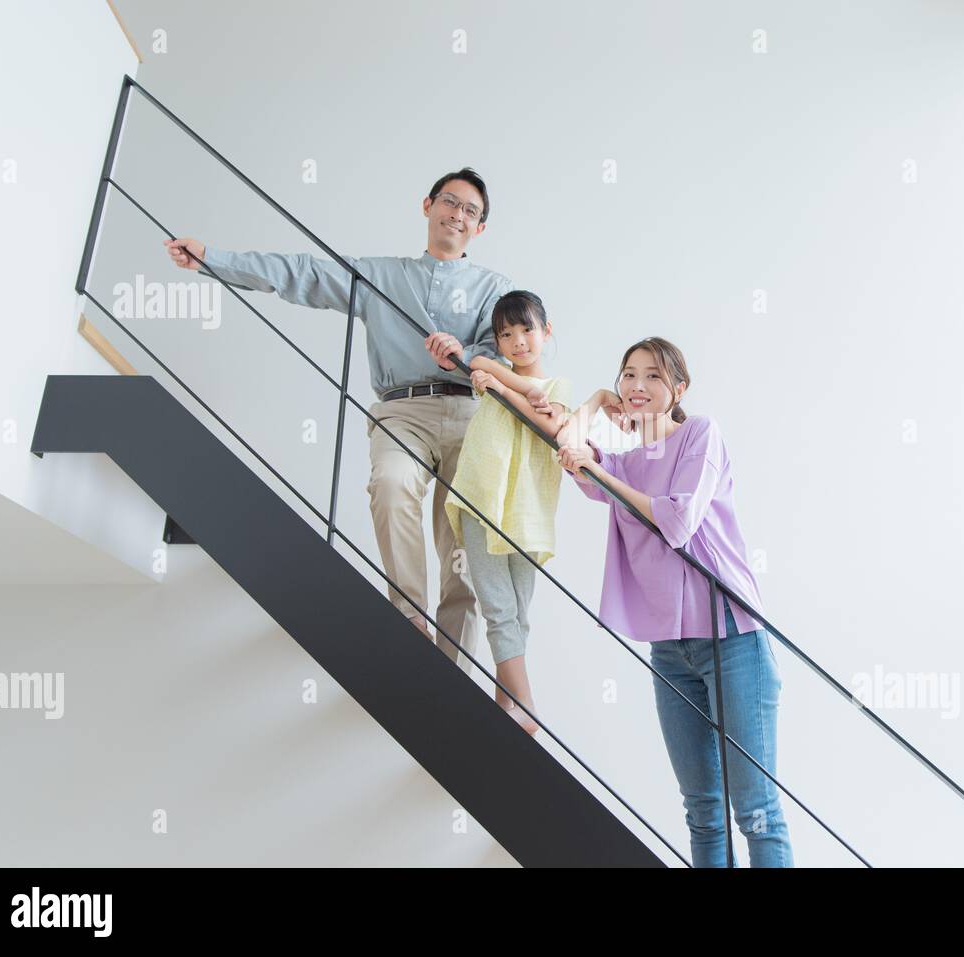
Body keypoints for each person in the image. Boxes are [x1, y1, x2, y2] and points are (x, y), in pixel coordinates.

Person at [164, 168, 541, 674]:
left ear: (480, 229)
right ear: (427, 205)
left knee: (464, 553)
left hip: (474, 416)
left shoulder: (495, 286)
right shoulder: (380, 276)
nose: (458, 214)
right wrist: (213, 260)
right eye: (450, 202)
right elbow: (303, 273)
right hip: (402, 410)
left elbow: (508, 350)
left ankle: (450, 677)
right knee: (390, 481)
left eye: (471, 211)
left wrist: (467, 355)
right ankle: (408, 620)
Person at [556, 337, 794, 867]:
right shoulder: (622, 461)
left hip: (733, 639)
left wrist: (598, 471)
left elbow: (678, 521)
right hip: (669, 648)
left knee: (756, 810)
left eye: (653, 377)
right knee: (702, 812)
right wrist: (595, 400)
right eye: (627, 375)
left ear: (678, 389)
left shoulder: (699, 435)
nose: (637, 386)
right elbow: (566, 446)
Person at [443, 290, 571, 734]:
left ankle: (507, 703)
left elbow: (549, 424)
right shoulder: (489, 375)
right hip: (484, 504)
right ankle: (527, 707)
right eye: (506, 334)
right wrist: (494, 379)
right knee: (499, 607)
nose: (518, 341)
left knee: (517, 612)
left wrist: (501, 385)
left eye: (527, 330)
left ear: (546, 331)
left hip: (527, 516)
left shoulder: (558, 390)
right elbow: (478, 365)